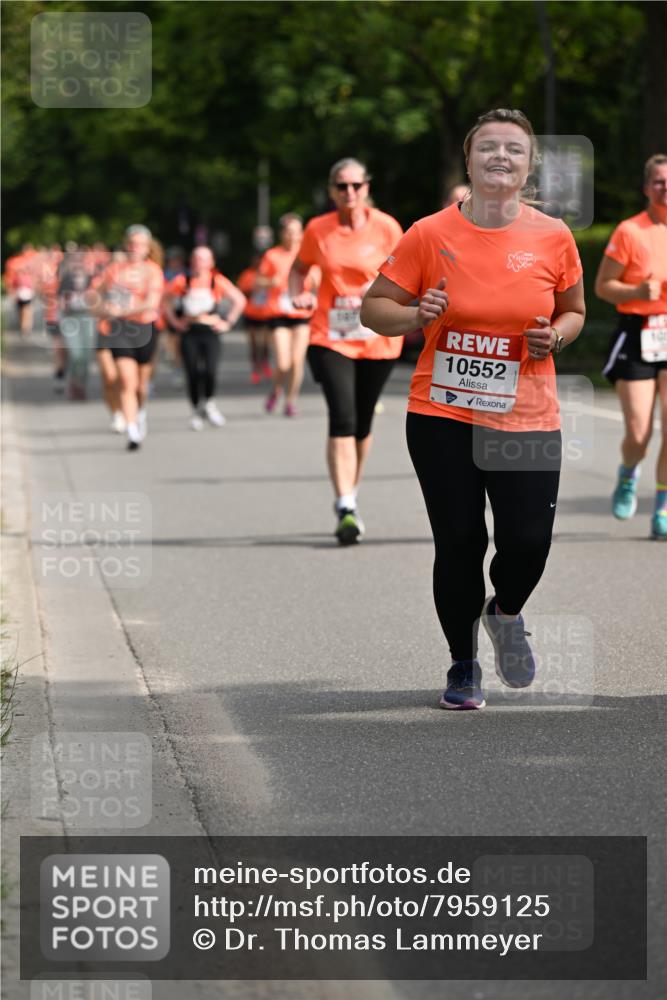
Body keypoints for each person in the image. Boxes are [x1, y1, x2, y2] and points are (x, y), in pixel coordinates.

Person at [361, 108, 585, 710]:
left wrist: (555, 337)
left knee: (527, 541)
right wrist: (415, 315)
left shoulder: (553, 236)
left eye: (513, 148)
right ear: (469, 160)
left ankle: (504, 612)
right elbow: (373, 308)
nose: (500, 156)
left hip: (526, 415)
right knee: (459, 540)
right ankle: (463, 665)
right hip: (443, 414)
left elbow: (574, 311)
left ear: (529, 166)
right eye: (487, 147)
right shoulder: (428, 233)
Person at [288, 157, 403, 544]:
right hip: (331, 335)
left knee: (363, 422)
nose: (349, 192)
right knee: (343, 416)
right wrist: (299, 294)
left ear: (367, 188)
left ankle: (350, 492)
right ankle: (345, 504)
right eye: (342, 186)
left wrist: (391, 298)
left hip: (377, 337)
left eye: (356, 185)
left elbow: (409, 273)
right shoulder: (318, 229)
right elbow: (299, 269)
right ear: (331, 191)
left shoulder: (386, 227)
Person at [595, 153, 667, 540]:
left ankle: (663, 506)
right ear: (646, 187)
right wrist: (637, 291)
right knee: (639, 433)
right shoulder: (630, 231)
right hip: (639, 334)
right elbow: (603, 286)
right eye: (659, 181)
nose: (665, 188)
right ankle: (628, 473)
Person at [93, 225, 164, 450]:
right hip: (120, 329)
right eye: (132, 244)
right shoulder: (114, 270)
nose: (135, 248)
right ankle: (132, 430)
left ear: (147, 248)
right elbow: (94, 297)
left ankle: (139, 413)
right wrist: (103, 308)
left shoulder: (152, 271)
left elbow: (151, 302)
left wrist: (122, 310)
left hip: (144, 329)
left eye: (140, 245)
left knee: (141, 386)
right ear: (126, 245)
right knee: (126, 380)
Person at [164, 246, 246, 430]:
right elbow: (165, 299)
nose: (199, 263)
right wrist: (175, 322)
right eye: (196, 258)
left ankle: (209, 402)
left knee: (210, 370)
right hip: (190, 331)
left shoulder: (216, 281)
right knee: (192, 372)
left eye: (203, 259)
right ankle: (195, 409)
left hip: (210, 330)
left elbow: (239, 300)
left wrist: (228, 322)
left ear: (211, 262)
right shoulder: (182, 281)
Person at [260, 214, 315, 417]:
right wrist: (270, 282)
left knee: (297, 361)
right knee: (283, 363)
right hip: (279, 314)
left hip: (302, 313)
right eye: (289, 232)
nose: (293, 236)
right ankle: (276, 390)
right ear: (282, 234)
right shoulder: (272, 255)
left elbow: (319, 279)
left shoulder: (309, 255)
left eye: (297, 232)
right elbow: (258, 281)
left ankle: (291, 401)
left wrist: (314, 281)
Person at [237, 255, 273, 384]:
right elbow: (241, 293)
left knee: (265, 343)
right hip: (251, 314)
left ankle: (265, 364)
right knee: (254, 345)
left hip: (266, 314)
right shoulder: (247, 275)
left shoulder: (269, 275)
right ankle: (255, 370)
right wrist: (253, 289)